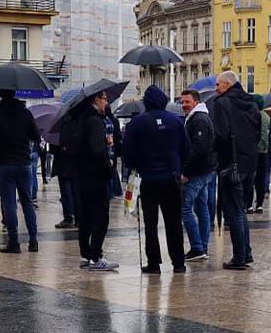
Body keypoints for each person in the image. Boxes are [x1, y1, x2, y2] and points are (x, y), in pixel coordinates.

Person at [120, 85, 188, 274]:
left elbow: (127, 152)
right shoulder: (176, 121)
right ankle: (178, 262)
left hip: (148, 178)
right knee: (174, 222)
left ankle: (154, 262)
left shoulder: (137, 123)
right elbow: (186, 149)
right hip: (171, 178)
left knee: (150, 223)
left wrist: (136, 166)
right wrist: (178, 166)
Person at [209, 71, 261, 270]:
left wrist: (214, 151)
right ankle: (245, 253)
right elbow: (258, 132)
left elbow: (221, 135)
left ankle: (239, 257)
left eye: (218, 85)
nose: (216, 89)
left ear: (228, 84)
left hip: (231, 163)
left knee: (234, 212)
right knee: (241, 210)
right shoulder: (251, 103)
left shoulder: (222, 103)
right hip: (249, 163)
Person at [64, 90, 117, 271]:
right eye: (105, 99)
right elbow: (97, 151)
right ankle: (96, 256)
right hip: (96, 176)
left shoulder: (79, 120)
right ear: (96, 100)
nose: (106, 103)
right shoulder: (95, 121)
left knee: (85, 217)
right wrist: (108, 168)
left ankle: (85, 254)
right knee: (101, 217)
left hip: (81, 176)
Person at [0, 89, 41, 254]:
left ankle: (14, 242)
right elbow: (36, 136)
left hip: (3, 165)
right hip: (23, 163)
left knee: (9, 203)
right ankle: (33, 241)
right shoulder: (26, 114)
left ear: (1, 96)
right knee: (27, 202)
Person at [178, 88, 217, 259]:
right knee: (202, 209)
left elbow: (198, 149)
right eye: (182, 102)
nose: (184, 105)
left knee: (185, 209)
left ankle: (197, 247)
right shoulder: (197, 117)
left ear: (196, 102)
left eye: (187, 102)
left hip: (197, 172)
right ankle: (203, 246)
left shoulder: (199, 119)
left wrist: (186, 170)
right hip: (205, 170)